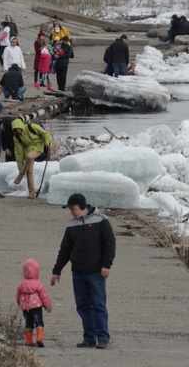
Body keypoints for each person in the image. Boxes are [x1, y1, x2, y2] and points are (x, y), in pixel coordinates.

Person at [51, 193, 116, 350]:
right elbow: (65, 250)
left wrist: (106, 265)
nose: (71, 212)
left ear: (82, 207)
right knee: (82, 306)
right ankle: (89, 337)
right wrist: (57, 270)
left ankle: (102, 338)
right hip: (78, 273)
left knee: (98, 304)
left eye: (72, 208)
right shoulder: (71, 225)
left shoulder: (101, 220)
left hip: (96, 272)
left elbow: (110, 243)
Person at [10, 119, 51, 198]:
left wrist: (47, 143)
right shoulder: (16, 137)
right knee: (29, 171)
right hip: (27, 151)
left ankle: (20, 175)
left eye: (18, 128)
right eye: (15, 130)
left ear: (21, 126)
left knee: (29, 156)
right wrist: (20, 166)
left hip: (38, 147)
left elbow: (45, 134)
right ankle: (32, 192)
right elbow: (18, 153)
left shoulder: (32, 127)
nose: (17, 131)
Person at [17, 258, 53, 347]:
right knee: (39, 322)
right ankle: (39, 338)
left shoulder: (21, 284)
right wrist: (48, 306)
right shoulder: (38, 284)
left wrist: (19, 303)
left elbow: (18, 296)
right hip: (36, 306)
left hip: (25, 307)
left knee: (28, 323)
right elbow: (43, 296)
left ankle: (28, 340)